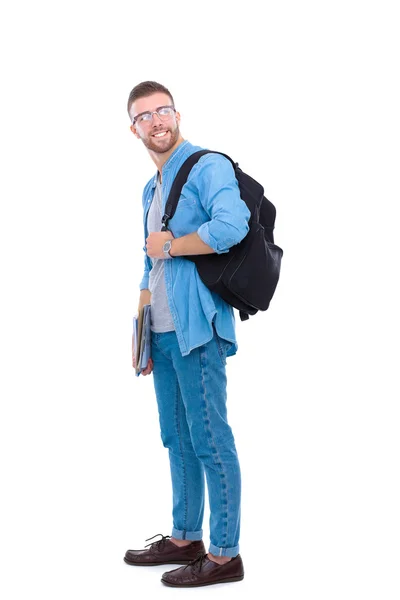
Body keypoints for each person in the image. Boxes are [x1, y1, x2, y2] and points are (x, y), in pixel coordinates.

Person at [124, 81, 250, 587]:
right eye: (144, 116)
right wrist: (140, 330)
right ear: (132, 129)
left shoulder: (207, 166)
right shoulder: (151, 189)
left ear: (177, 114)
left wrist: (172, 245)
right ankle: (184, 537)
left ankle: (224, 555)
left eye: (163, 111)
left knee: (210, 440)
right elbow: (148, 262)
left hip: (198, 330)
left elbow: (232, 224)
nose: (157, 121)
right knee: (176, 437)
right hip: (162, 332)